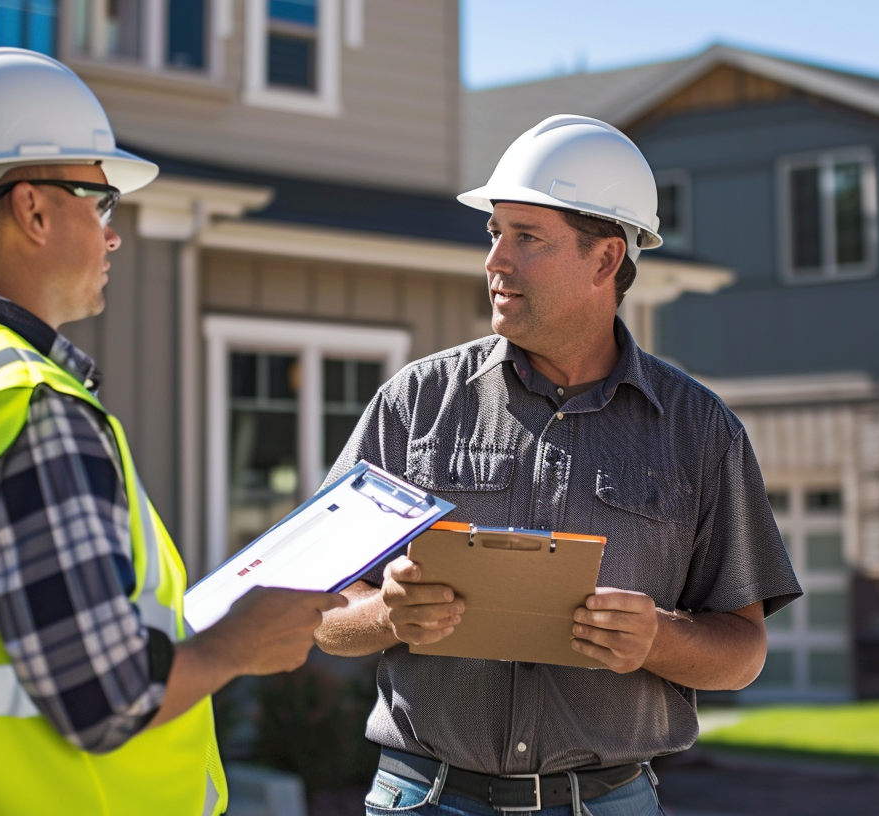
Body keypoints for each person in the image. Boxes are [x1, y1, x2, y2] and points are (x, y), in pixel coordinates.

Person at [0, 48, 345, 816]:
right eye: (101, 201)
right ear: (32, 210)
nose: (112, 234)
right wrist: (237, 645)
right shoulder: (28, 405)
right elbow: (106, 699)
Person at [315, 115, 803, 815]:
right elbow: (321, 611)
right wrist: (388, 617)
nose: (496, 261)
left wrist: (658, 639)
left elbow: (743, 650)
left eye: (527, 238)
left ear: (605, 260)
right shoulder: (413, 403)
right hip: (425, 797)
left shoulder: (701, 432)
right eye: (495, 234)